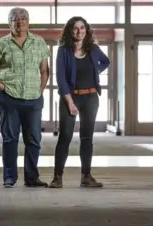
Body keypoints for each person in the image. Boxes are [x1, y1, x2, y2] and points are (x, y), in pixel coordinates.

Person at [0, 7, 50, 188]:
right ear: (10, 23)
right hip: (9, 97)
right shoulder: (2, 44)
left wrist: (40, 90)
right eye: (15, 19)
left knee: (34, 139)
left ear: (28, 22)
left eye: (23, 18)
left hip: (33, 98)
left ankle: (32, 178)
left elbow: (44, 70)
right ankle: (9, 177)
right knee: (10, 138)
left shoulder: (39, 42)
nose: (20, 21)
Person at [49, 16, 110, 188]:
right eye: (75, 28)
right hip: (71, 97)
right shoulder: (63, 51)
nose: (79, 31)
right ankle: (57, 177)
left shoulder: (93, 49)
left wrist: (95, 72)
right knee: (65, 136)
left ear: (86, 29)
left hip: (90, 98)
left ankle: (86, 176)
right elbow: (61, 80)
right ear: (70, 30)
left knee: (86, 137)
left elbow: (106, 61)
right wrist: (70, 102)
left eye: (82, 28)